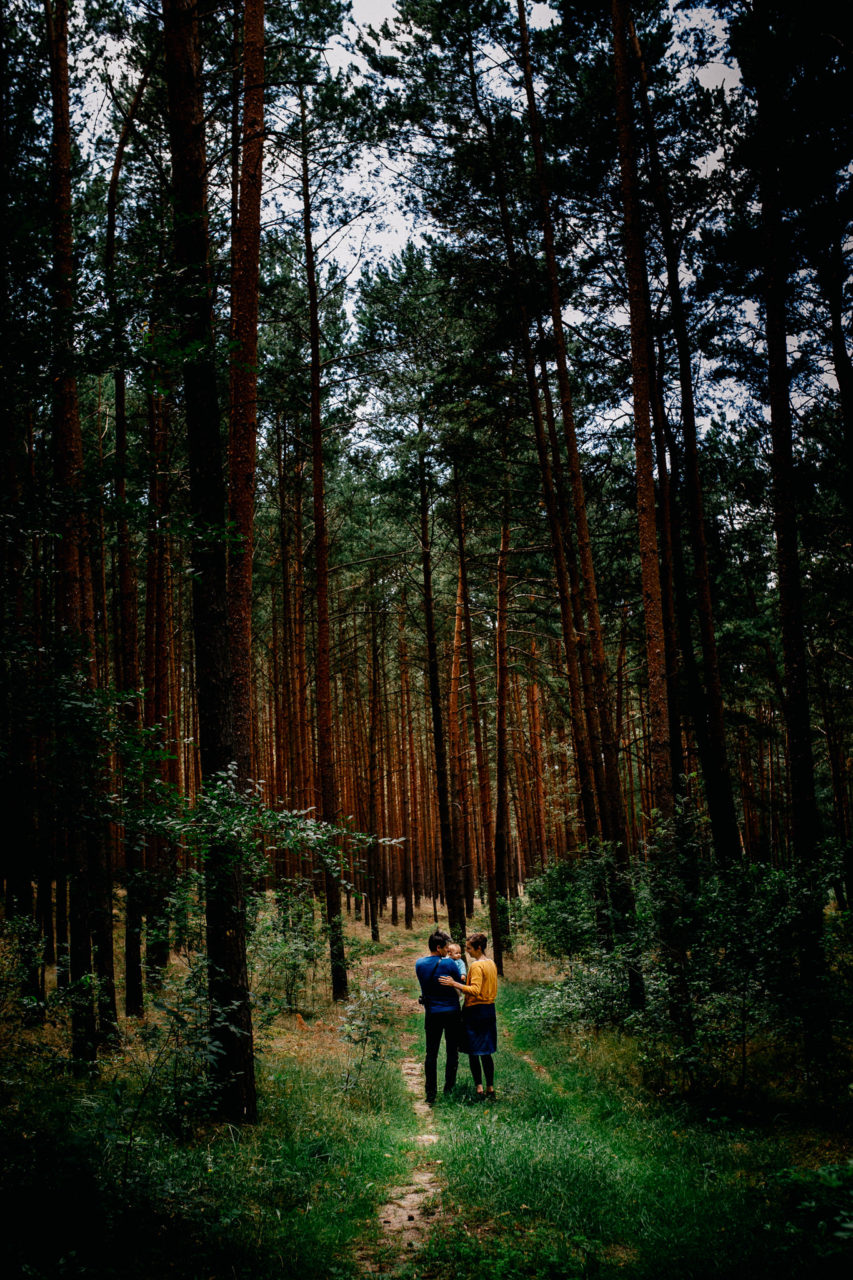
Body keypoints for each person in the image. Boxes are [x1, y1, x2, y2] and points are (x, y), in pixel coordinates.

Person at [438, 931, 498, 1101]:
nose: (467, 951)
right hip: (489, 1009)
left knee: (474, 1050)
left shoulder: (476, 966)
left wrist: (454, 983)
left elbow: (475, 990)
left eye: (469, 948)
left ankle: (479, 1088)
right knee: (486, 1051)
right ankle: (490, 1088)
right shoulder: (491, 963)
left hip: (476, 1011)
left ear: (478, 948)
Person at [415, 929, 462, 1104]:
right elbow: (459, 983)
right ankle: (449, 1088)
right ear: (438, 947)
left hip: (432, 1013)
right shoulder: (449, 964)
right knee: (452, 1051)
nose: (447, 950)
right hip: (452, 1012)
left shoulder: (419, 964)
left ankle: (430, 1093)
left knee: (431, 1053)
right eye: (445, 947)